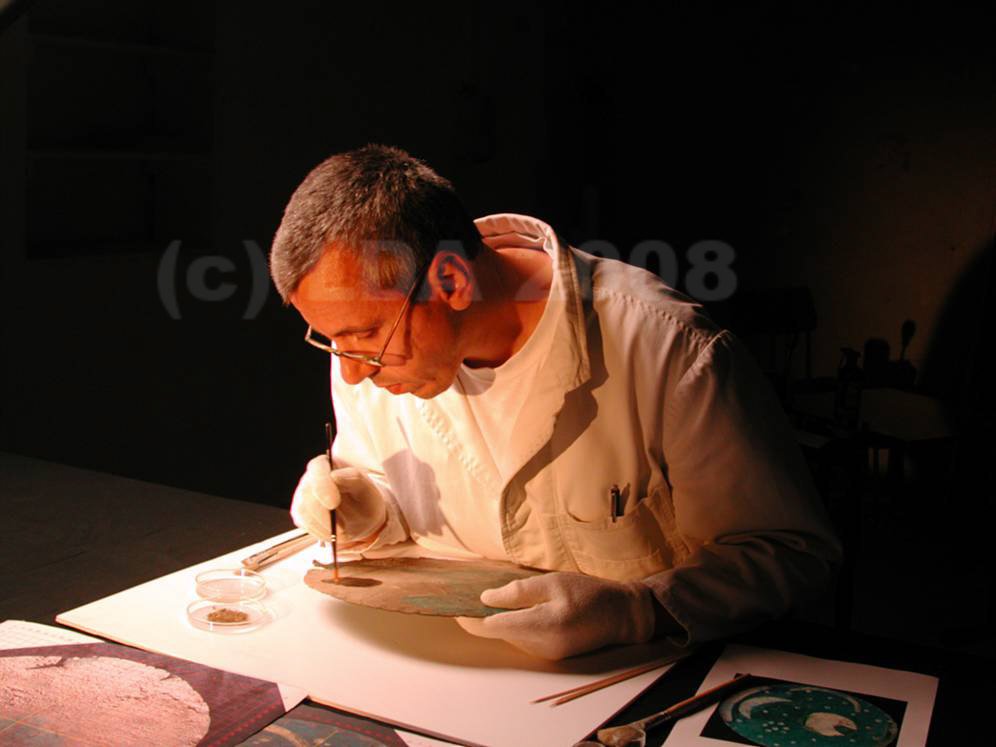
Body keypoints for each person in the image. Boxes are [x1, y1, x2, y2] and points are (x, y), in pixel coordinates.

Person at [269, 144, 841, 660]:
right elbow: (390, 494)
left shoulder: (667, 346)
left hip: (629, 684)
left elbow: (788, 551)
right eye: (329, 339)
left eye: (364, 335)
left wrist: (641, 610)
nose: (349, 370)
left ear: (450, 281)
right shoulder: (369, 346)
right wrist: (364, 509)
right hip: (434, 670)